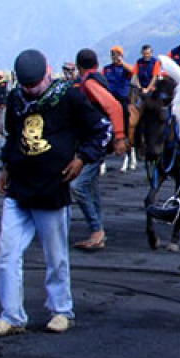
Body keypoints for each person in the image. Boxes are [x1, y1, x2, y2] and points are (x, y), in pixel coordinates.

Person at [0, 49, 111, 337]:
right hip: (19, 189)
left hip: (52, 188)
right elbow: (13, 136)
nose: (31, 90)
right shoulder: (16, 99)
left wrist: (82, 159)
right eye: (26, 85)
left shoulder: (69, 97)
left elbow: (100, 130)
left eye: (35, 84)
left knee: (55, 257)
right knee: (7, 254)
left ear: (48, 73)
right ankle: (11, 316)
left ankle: (61, 310)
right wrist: (6, 166)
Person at [69, 48, 128, 251]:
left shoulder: (90, 83)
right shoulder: (97, 80)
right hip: (95, 141)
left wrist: (120, 136)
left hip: (95, 142)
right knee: (91, 186)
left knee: (78, 186)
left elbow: (114, 107)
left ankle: (96, 230)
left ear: (79, 67)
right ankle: (98, 231)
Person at [128, 44, 163, 146]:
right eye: (144, 53)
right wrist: (140, 87)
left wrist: (148, 88)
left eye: (148, 53)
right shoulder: (139, 62)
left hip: (152, 89)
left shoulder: (155, 62)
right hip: (141, 89)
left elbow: (155, 77)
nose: (146, 55)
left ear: (151, 53)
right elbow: (135, 75)